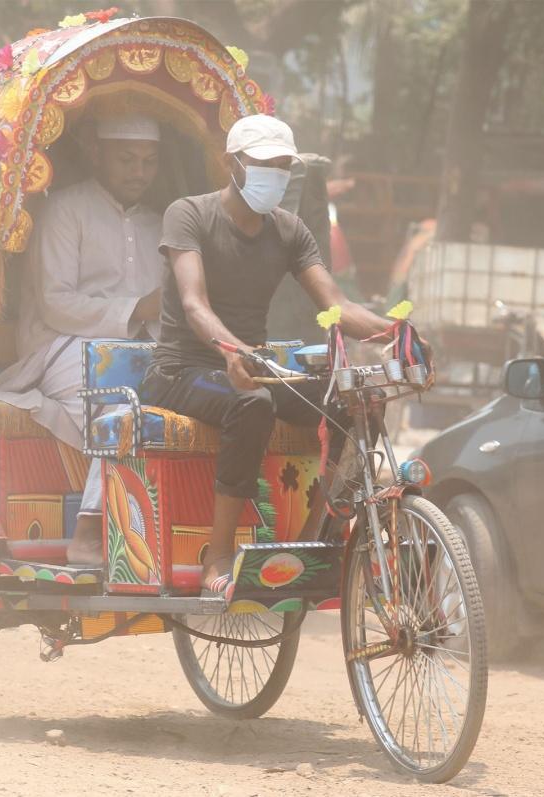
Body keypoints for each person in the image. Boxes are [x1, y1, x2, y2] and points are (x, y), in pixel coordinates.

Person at [141, 114, 394, 595]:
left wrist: (396, 334)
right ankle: (217, 556)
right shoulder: (188, 214)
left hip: (253, 366)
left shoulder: (289, 230)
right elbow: (195, 304)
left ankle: (317, 534)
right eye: (263, 164)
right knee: (252, 403)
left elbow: (337, 306)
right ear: (231, 164)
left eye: (282, 166)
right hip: (182, 370)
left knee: (354, 399)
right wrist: (231, 350)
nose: (274, 175)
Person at [0, 112, 165, 564]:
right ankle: (90, 529)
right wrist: (136, 310)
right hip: (57, 347)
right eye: (127, 159)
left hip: (140, 351)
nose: (138, 172)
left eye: (149, 162)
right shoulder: (65, 210)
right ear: (96, 153)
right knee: (122, 394)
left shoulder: (160, 224)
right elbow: (56, 303)